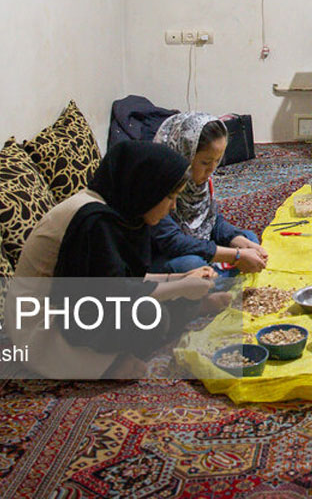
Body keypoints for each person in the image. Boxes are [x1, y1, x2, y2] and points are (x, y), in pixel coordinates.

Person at [11, 141, 218, 378]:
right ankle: (106, 363)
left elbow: (123, 278)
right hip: (43, 329)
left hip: (86, 303)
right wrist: (181, 287)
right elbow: (108, 294)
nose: (172, 207)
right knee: (151, 316)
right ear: (147, 189)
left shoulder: (117, 208)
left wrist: (180, 279)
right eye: (169, 197)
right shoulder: (94, 220)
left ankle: (187, 307)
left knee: (177, 296)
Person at [149, 112, 267, 279]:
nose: (212, 169)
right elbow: (172, 242)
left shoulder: (200, 182)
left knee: (249, 239)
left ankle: (217, 277)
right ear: (185, 154)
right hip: (162, 256)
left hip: (197, 246)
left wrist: (236, 239)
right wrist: (235, 256)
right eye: (205, 162)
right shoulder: (158, 186)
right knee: (192, 265)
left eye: (217, 161)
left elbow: (211, 221)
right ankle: (215, 279)